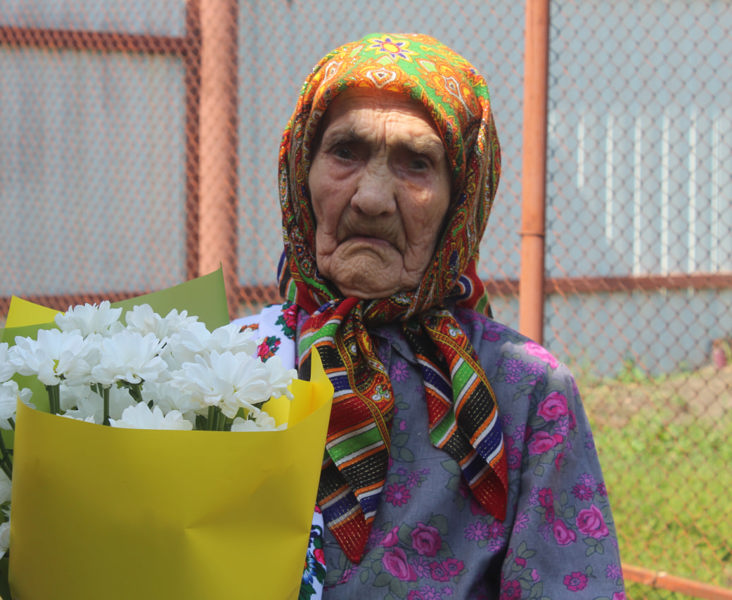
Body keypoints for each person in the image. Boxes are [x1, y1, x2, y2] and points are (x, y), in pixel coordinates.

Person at [236, 33, 626, 599]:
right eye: (345, 151)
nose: (371, 197)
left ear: (461, 198)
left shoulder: (525, 390)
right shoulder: (225, 364)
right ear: (302, 170)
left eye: (416, 163)